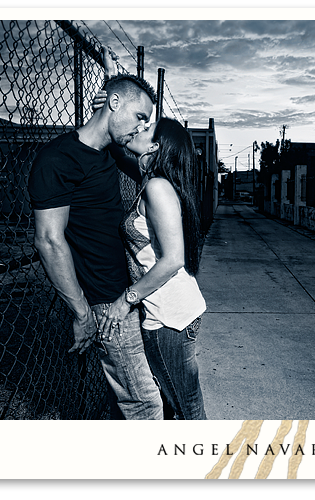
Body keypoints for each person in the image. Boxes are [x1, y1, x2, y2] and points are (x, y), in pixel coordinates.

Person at [28, 50, 164, 420]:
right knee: (145, 405)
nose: (141, 127)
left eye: (146, 121)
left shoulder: (110, 153)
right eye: (139, 117)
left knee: (140, 395)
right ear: (114, 103)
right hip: (106, 303)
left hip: (127, 293)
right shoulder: (58, 159)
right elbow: (49, 240)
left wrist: (110, 80)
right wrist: (81, 311)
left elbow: (146, 146)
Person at [91, 90, 208, 420]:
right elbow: (116, 138)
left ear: (156, 147)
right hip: (173, 311)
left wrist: (126, 299)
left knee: (187, 410)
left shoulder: (157, 187)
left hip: (169, 317)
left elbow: (173, 259)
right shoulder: (149, 179)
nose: (137, 129)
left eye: (146, 128)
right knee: (177, 404)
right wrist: (110, 97)